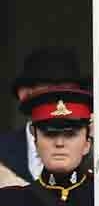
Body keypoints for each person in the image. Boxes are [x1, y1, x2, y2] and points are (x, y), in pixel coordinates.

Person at [0, 47, 89, 184]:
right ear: (25, 94)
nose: (60, 101)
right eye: (48, 92)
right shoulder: (3, 150)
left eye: (69, 92)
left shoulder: (96, 153)